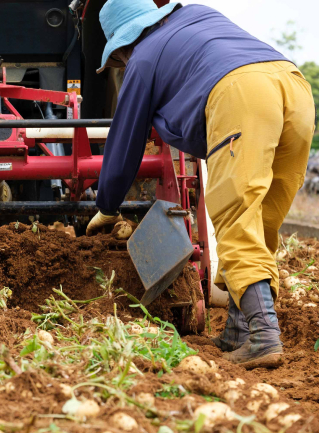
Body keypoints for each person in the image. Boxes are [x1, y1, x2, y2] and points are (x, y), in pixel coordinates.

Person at [86, 0, 315, 368]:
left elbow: (124, 141)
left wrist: (107, 205)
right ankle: (240, 330)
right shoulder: (198, 13)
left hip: (242, 95)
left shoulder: (142, 59)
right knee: (260, 221)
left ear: (124, 44)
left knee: (236, 217)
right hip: (293, 88)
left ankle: (264, 335)